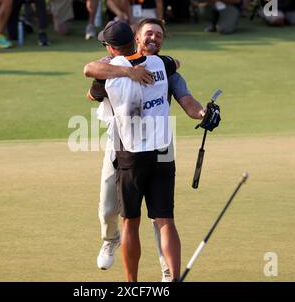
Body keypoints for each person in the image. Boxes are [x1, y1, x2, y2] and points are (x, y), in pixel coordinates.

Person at [84, 18, 211, 281]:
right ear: (136, 39)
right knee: (109, 208)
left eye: (159, 35)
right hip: (119, 145)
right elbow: (92, 78)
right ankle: (110, 240)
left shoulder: (164, 67)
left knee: (155, 217)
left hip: (152, 148)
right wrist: (129, 72)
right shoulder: (111, 66)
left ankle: (167, 274)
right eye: (149, 34)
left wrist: (203, 113)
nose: (154, 38)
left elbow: (187, 99)